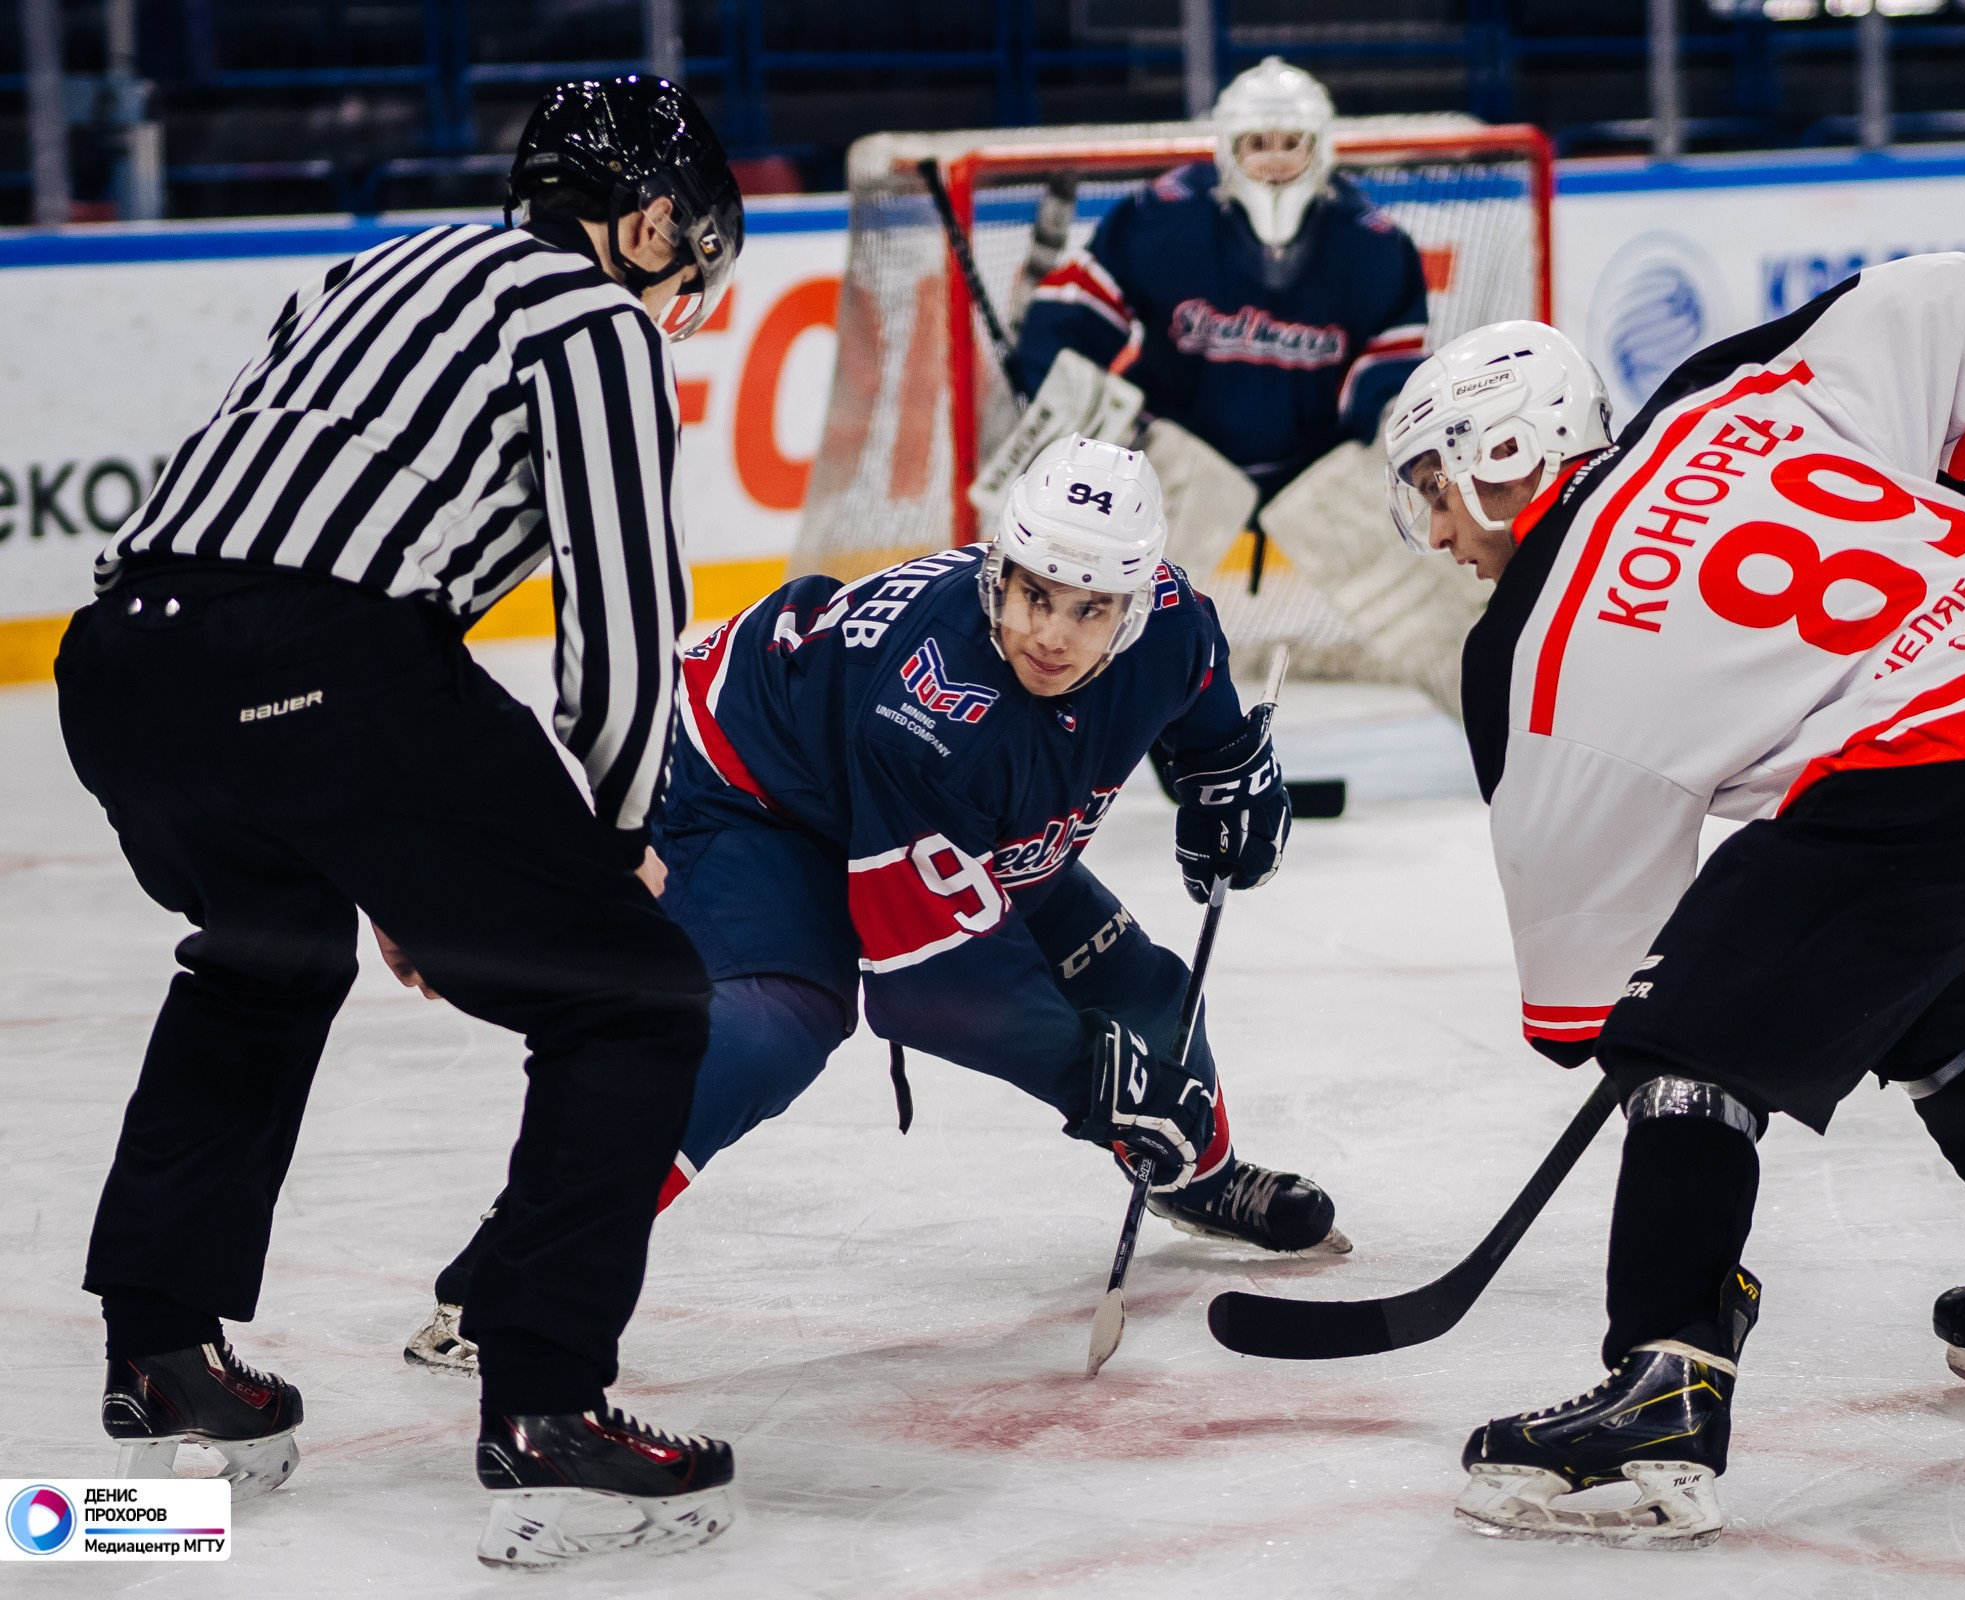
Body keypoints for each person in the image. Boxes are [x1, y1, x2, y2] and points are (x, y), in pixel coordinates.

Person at [1382, 257, 1965, 1549]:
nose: (1439, 535)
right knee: (1929, 1007)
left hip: (1954, 762)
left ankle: (1662, 1388)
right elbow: (1954, 296)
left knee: (1683, 1048)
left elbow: (1583, 1012)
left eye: (1435, 490)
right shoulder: (1727, 400)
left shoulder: (1536, 648)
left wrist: (1671, 1031)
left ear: (1507, 456)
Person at [51, 75, 742, 1568]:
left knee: (264, 957)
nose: (680, 293)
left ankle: (163, 1354)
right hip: (317, 664)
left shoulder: (366, 272)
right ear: (646, 224)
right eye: (688, 256)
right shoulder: (593, 319)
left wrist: (391, 856)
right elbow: (623, 612)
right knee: (632, 998)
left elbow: (271, 535)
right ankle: (547, 1404)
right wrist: (622, 833)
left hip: (118, 665)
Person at [402, 434, 1347, 1378]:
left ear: (1136, 605)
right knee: (769, 1030)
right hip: (754, 791)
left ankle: (1195, 1170)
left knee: (1145, 995)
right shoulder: (931, 708)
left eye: (1088, 608)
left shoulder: (1174, 623)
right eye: (1033, 595)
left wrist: (1228, 775)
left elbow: (1206, 705)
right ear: (999, 573)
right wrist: (1097, 1086)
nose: (1052, 635)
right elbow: (935, 988)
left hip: (945, 814)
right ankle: (525, 1265)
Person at [995, 56, 1482, 712]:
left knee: (1432, 607)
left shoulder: (1373, 245)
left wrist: (1391, 439)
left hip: (1314, 464)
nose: (1274, 160)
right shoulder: (1163, 217)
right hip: (1178, 459)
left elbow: (1387, 382)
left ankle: (1498, 710)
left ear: (1322, 149)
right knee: (1109, 606)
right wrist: (1059, 394)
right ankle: (1069, 724)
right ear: (1227, 149)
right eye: (1257, 143)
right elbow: (1074, 317)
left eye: (1291, 142)